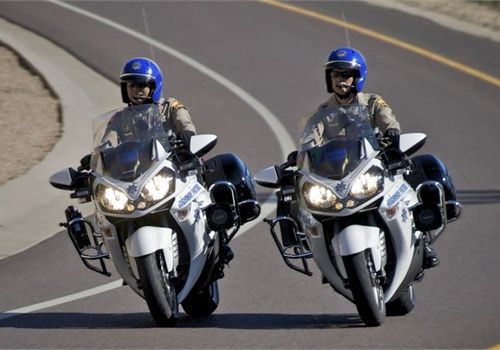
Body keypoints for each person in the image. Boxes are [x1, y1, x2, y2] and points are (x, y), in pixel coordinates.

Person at [298, 47, 439, 269]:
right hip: (342, 172)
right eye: (334, 74)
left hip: (373, 163)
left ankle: (423, 241)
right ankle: (319, 250)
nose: (339, 80)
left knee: (405, 183)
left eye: (345, 74)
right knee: (303, 198)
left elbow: (386, 119)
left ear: (357, 77)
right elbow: (310, 139)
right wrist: (300, 158)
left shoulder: (372, 101)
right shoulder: (322, 112)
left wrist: (391, 131)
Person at [119, 57, 196, 142]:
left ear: (154, 87)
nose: (135, 89)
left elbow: (186, 124)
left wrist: (187, 134)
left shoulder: (170, 107)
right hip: (138, 155)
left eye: (141, 84)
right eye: (131, 84)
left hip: (173, 154)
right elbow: (107, 141)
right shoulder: (120, 118)